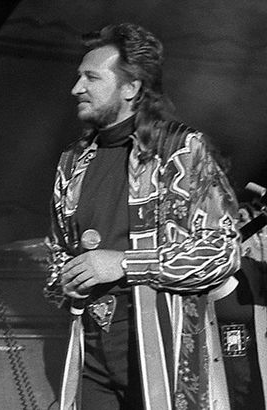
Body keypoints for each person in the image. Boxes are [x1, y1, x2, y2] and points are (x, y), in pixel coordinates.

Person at [44, 23, 241, 409]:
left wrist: (124, 263)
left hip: (159, 343)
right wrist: (64, 281)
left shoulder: (180, 148)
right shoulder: (72, 160)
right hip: (91, 344)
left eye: (91, 78)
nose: (76, 88)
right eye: (78, 77)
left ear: (131, 88)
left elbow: (221, 251)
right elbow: (57, 250)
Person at [215, 200, 267, 409]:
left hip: (254, 384)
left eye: (241, 219)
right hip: (218, 384)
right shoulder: (204, 271)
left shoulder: (255, 272)